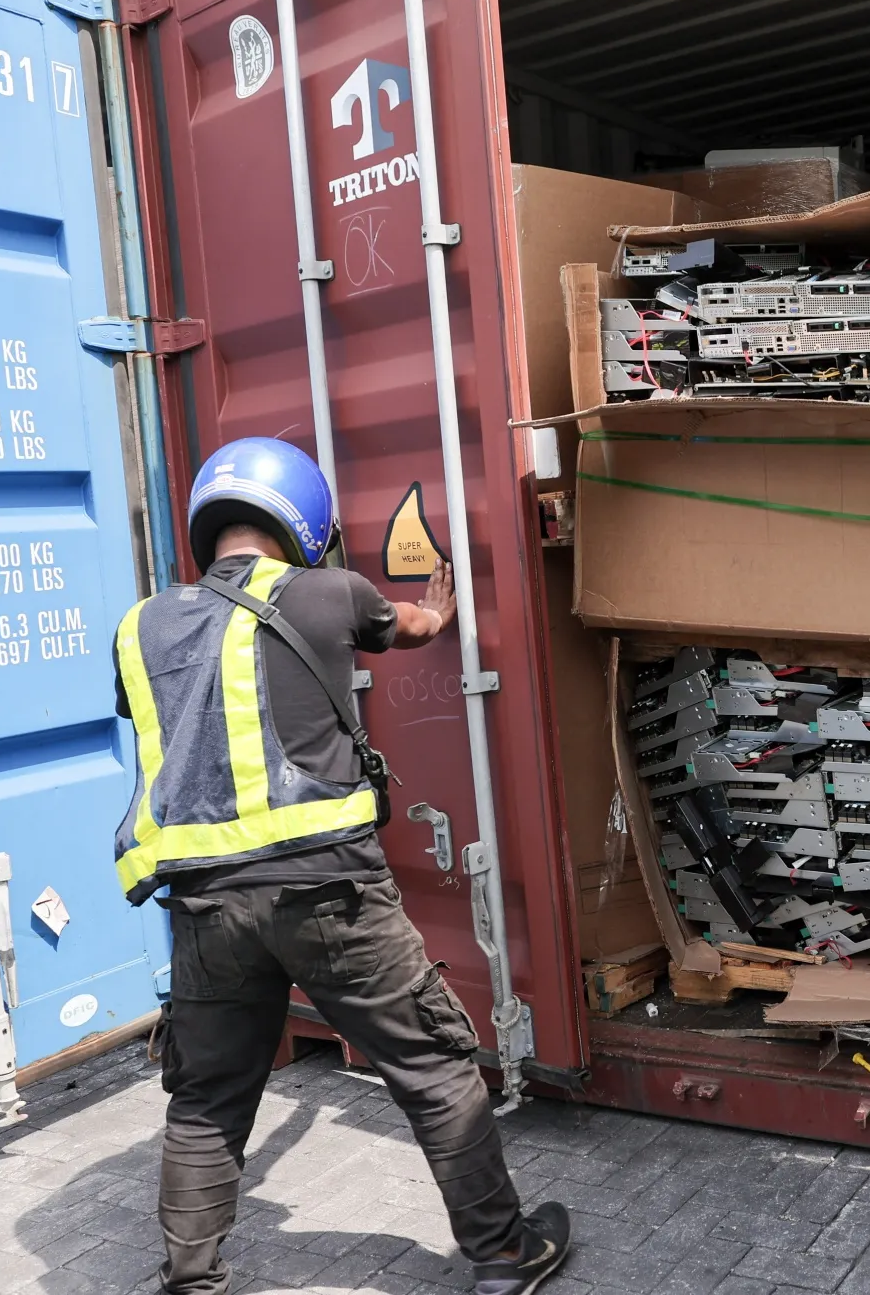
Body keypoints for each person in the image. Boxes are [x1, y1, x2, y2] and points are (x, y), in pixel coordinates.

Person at [111, 437, 570, 1295]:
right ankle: (504, 1256)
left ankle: (192, 1282)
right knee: (433, 1069)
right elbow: (413, 627)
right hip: (333, 895)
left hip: (207, 909)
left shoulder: (140, 626)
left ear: (208, 522)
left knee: (208, 1100)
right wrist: (440, 606)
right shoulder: (331, 592)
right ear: (307, 521)